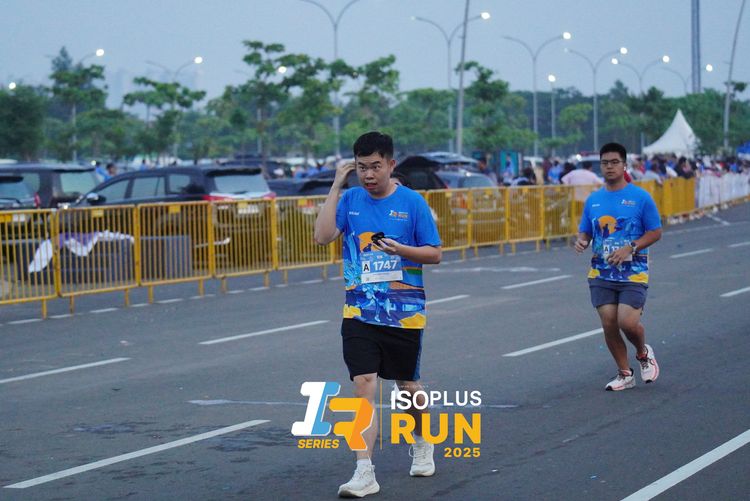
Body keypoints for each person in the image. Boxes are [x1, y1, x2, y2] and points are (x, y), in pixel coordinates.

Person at [314, 131, 442, 498]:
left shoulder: (412, 203)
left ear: (390, 164)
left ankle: (422, 440)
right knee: (364, 384)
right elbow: (322, 236)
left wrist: (401, 249)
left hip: (403, 312)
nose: (368, 175)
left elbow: (435, 253)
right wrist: (336, 186)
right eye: (361, 167)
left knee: (407, 387)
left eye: (375, 167)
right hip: (359, 310)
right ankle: (364, 471)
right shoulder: (351, 199)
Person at [574, 142, 662, 391]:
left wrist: (630, 248)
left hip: (633, 272)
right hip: (601, 272)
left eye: (614, 162)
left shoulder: (640, 197)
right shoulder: (594, 200)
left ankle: (643, 353)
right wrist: (582, 241)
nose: (609, 167)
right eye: (605, 163)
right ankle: (625, 374)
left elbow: (655, 232)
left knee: (627, 322)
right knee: (609, 322)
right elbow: (586, 230)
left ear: (624, 165)